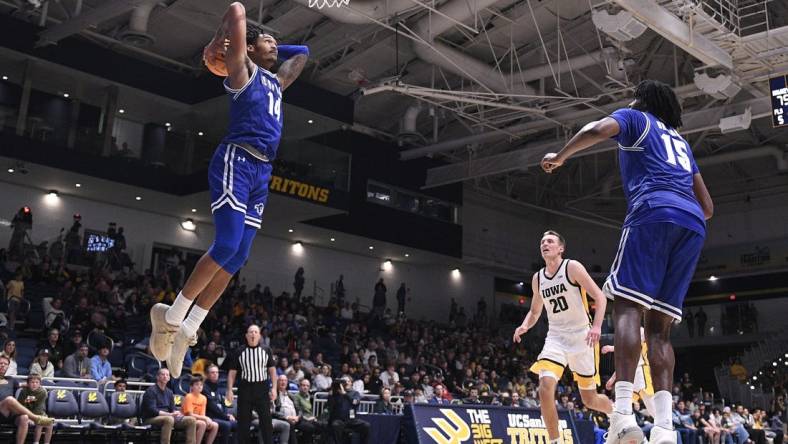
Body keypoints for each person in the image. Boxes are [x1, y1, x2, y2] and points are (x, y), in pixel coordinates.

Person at [540, 79, 714, 444]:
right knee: (660, 330)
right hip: (692, 225)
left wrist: (561, 155)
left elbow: (596, 129)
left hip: (653, 212)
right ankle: (665, 428)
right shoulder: (681, 142)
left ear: (642, 100)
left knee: (627, 309)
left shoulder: (637, 118)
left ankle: (622, 415)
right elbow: (708, 208)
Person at [148, 1, 309, 377]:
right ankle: (170, 318)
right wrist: (223, 40)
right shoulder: (241, 70)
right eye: (267, 40)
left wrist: (269, 46)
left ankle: (189, 328)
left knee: (238, 257)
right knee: (225, 244)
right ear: (248, 49)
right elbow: (237, 9)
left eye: (274, 42)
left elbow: (303, 53)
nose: (275, 43)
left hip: (262, 172)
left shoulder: (277, 82)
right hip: (236, 159)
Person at [513, 230, 612, 444]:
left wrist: (596, 327)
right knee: (545, 385)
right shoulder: (538, 278)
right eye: (542, 241)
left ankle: (618, 416)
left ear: (561, 248)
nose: (544, 244)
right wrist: (524, 326)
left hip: (583, 336)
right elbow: (535, 311)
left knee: (590, 399)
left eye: (550, 241)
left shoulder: (572, 267)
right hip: (556, 337)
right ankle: (555, 441)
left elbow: (600, 297)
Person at [226, 324, 278, 444]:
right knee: (243, 423)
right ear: (246, 335)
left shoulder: (266, 350)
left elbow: (272, 371)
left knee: (266, 422)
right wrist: (229, 390)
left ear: (259, 335)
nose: (253, 334)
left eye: (255, 332)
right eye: (251, 332)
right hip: (245, 388)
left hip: (262, 388)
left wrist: (274, 388)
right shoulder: (239, 351)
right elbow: (232, 372)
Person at [0, 356, 54, 444]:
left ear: (7, 367)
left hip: (10, 413)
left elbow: (26, 384)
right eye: (0, 363)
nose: (2, 365)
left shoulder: (11, 380)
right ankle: (36, 418)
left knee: (24, 418)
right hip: (1, 409)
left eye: (5, 364)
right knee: (10, 400)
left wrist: (37, 385)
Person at [603, 327, 656, 418]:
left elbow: (629, 347)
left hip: (641, 371)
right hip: (631, 374)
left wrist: (611, 348)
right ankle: (614, 423)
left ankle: (665, 426)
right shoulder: (628, 334)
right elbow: (624, 363)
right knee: (621, 404)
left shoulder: (640, 331)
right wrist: (612, 379)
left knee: (651, 404)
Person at [141, 368, 199, 444]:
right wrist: (170, 414)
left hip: (169, 417)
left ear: (169, 378)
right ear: (157, 377)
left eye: (167, 375)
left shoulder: (169, 392)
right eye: (163, 374)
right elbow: (152, 410)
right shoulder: (150, 391)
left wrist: (177, 413)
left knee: (191, 420)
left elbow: (173, 408)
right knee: (169, 419)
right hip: (151, 418)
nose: (165, 376)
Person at [274, 375, 320, 444]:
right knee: (290, 425)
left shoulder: (290, 395)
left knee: (309, 427)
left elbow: (299, 410)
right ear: (277, 382)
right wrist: (288, 417)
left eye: (285, 380)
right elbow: (273, 411)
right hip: (284, 419)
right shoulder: (274, 395)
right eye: (281, 380)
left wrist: (298, 417)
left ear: (287, 383)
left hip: (296, 419)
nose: (283, 382)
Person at [326, 380, 370, 444]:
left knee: (366, 426)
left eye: (348, 381)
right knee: (335, 425)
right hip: (340, 420)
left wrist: (345, 394)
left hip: (351, 420)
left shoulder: (355, 393)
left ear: (351, 383)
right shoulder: (336, 394)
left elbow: (355, 402)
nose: (346, 383)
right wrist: (331, 395)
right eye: (344, 382)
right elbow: (329, 406)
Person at [203, 364, 236, 444]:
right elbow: (211, 406)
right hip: (210, 416)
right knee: (227, 425)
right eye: (213, 373)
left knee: (239, 425)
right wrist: (226, 416)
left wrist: (227, 414)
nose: (215, 374)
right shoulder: (204, 387)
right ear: (207, 375)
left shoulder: (218, 387)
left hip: (221, 416)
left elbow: (223, 403)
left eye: (217, 372)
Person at [17, 373, 53, 444]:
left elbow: (38, 407)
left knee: (50, 423)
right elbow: (20, 405)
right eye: (32, 382)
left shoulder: (43, 392)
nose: (34, 384)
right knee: (39, 422)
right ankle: (36, 442)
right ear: (28, 383)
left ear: (40, 384)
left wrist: (34, 418)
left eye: (37, 382)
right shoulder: (23, 391)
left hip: (39, 413)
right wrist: (29, 417)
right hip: (26, 414)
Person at [182, 376, 219, 444]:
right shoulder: (189, 396)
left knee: (215, 425)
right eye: (197, 384)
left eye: (201, 385)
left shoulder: (204, 398)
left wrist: (205, 419)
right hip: (187, 419)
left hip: (198, 419)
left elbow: (202, 414)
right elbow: (189, 414)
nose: (199, 386)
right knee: (202, 424)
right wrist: (205, 418)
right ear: (191, 387)